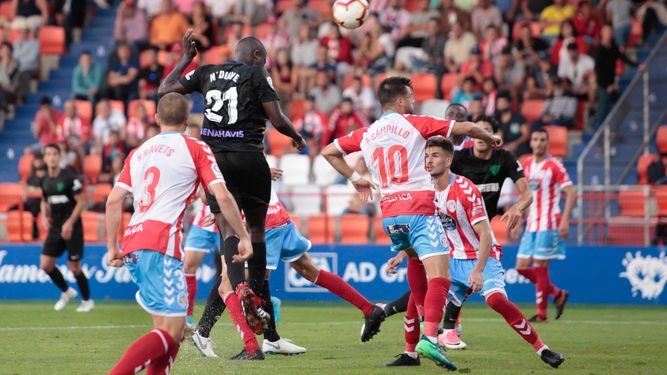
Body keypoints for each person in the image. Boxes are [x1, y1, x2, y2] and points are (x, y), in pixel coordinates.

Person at [321, 76, 502, 369]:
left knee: (416, 267)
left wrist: (357, 179)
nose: (414, 102)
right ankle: (430, 338)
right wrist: (489, 138)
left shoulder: (367, 133)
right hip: (419, 208)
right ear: (402, 101)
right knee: (441, 277)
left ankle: (411, 350)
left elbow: (328, 151)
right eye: (412, 97)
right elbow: (466, 128)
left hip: (390, 215)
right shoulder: (415, 123)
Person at [158, 31, 306, 339]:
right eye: (262, 59)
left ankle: (241, 292)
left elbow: (165, 90)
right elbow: (276, 119)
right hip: (250, 159)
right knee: (255, 231)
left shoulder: (206, 71)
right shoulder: (256, 73)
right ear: (254, 56)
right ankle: (257, 295)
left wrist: (186, 59)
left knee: (227, 231)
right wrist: (295, 135)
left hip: (216, 163)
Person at [383, 136, 564, 369]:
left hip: (481, 255)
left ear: (448, 161)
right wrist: (402, 255)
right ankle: (411, 355)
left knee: (496, 300)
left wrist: (478, 271)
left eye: (435, 156)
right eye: (426, 156)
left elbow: (486, 234)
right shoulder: (424, 192)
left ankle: (543, 349)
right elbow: (422, 232)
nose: (428, 161)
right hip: (450, 258)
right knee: (417, 297)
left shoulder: (465, 190)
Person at [105, 92, 252, 374]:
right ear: (187, 120)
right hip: (161, 243)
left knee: (168, 331)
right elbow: (221, 194)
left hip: (134, 243)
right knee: (173, 331)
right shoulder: (195, 147)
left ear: (157, 119)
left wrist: (112, 247)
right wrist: (243, 236)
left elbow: (113, 201)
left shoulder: (138, 152)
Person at [194, 176, 385, 357]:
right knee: (306, 270)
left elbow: (209, 191)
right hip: (276, 215)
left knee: (230, 284)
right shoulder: (249, 146)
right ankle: (368, 309)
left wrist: (218, 206)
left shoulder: (215, 152)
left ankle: (249, 345)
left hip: (256, 222)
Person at [514, 128, 574, 323]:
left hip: (549, 222)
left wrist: (565, 220)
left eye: (542, 140)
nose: (538, 143)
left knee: (540, 267)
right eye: (535, 139)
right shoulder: (527, 164)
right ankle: (557, 293)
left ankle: (541, 314)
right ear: (530, 142)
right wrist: (518, 217)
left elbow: (571, 192)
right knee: (521, 267)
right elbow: (524, 195)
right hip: (531, 223)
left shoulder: (554, 165)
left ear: (547, 143)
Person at [39, 144, 93, 312]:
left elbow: (81, 202)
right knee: (46, 265)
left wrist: (69, 223)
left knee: (74, 266)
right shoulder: (45, 180)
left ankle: (87, 301)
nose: (52, 157)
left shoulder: (69, 177)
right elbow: (44, 199)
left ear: (60, 156)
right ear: (44, 158)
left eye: (55, 153)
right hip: (55, 227)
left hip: (73, 227)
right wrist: (43, 214)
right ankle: (66, 291)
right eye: (49, 154)